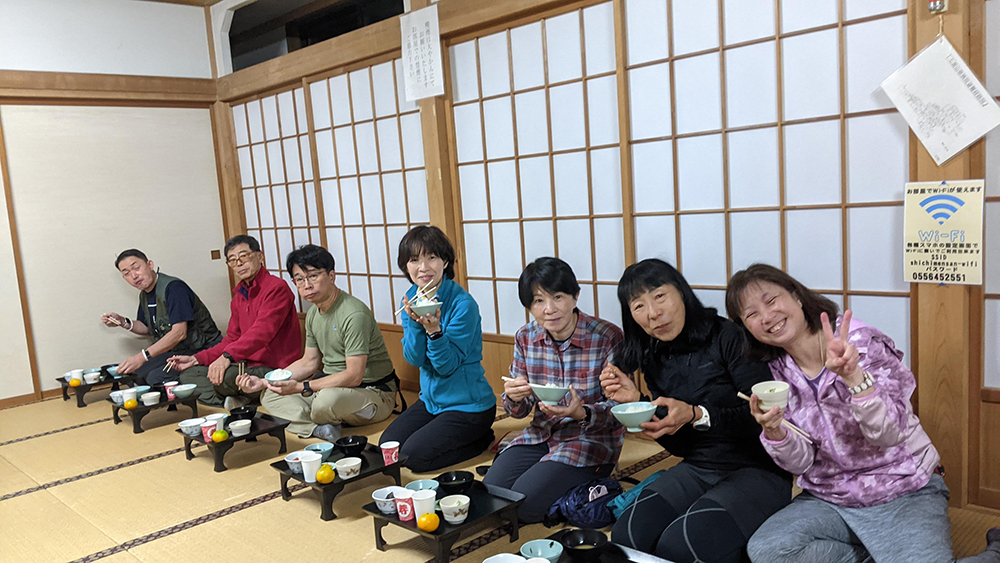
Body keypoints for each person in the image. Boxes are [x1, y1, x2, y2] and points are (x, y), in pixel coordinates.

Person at [724, 263, 1000, 563]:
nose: (766, 317)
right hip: (831, 497)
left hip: (903, 488)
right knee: (768, 551)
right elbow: (801, 461)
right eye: (751, 314)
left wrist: (855, 378)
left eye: (771, 300)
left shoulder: (860, 344)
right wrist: (775, 432)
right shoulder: (775, 375)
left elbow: (890, 433)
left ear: (797, 297)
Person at [599, 259, 791, 563]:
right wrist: (639, 404)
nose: (653, 313)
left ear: (682, 292)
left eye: (660, 296)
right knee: (627, 536)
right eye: (639, 306)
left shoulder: (730, 336)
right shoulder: (654, 356)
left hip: (757, 469)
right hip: (699, 466)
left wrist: (697, 414)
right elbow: (680, 444)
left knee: (681, 545)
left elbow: (761, 421)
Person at [483, 257, 624, 523]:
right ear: (529, 306)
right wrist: (513, 397)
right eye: (538, 301)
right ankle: (550, 479)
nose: (549, 309)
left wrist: (582, 412)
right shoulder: (526, 337)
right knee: (493, 497)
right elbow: (518, 410)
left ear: (575, 296)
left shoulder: (607, 337)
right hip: (541, 434)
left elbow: (621, 409)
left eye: (558, 297)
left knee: (524, 508)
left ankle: (585, 492)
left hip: (589, 441)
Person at [236, 244, 398, 442]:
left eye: (313, 276)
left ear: (331, 276)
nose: (307, 285)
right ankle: (317, 428)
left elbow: (354, 376)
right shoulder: (314, 312)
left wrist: (303, 387)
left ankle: (318, 418)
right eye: (299, 279)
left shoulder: (354, 314)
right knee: (270, 395)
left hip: (372, 392)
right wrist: (265, 382)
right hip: (329, 388)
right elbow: (309, 362)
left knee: (325, 402)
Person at [378, 226, 496, 473]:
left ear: (445, 261)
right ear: (406, 267)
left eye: (431, 257)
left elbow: (446, 366)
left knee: (414, 458)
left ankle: (481, 438)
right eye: (414, 260)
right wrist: (413, 321)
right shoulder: (412, 298)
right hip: (432, 403)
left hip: (469, 407)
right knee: (387, 447)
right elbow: (414, 358)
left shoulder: (463, 304)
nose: (423, 267)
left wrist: (434, 331)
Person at [168, 235, 301, 409]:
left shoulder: (277, 288)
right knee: (189, 376)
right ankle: (240, 399)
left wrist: (227, 357)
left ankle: (247, 395)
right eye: (232, 260)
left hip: (272, 368)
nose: (239, 263)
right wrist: (195, 359)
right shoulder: (239, 297)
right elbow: (231, 339)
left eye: (244, 256)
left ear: (260, 256)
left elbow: (261, 333)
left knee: (227, 377)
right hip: (244, 365)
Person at [102, 249, 222, 386]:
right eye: (127, 273)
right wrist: (123, 322)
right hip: (176, 350)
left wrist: (141, 356)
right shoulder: (144, 294)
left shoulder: (174, 288)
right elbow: (146, 327)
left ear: (150, 265)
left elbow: (179, 333)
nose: (134, 275)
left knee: (155, 378)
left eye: (136, 268)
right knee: (138, 374)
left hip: (202, 347)